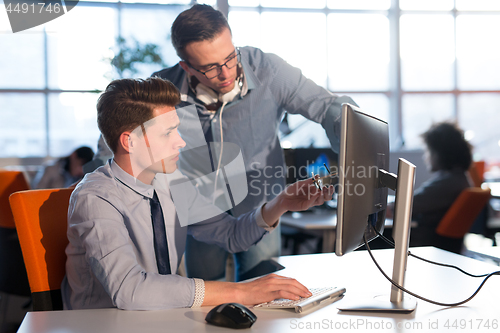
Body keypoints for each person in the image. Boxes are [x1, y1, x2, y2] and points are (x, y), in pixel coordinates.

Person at [61, 77, 335, 310]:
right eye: (168, 132)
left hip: (159, 319)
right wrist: (240, 292)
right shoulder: (95, 198)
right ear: (129, 141)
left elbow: (230, 234)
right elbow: (130, 290)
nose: (180, 141)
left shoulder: (170, 182)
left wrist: (281, 203)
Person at [147, 4, 359, 281]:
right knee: (206, 293)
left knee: (263, 286)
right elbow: (120, 138)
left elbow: (325, 105)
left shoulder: (270, 70)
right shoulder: (163, 88)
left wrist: (354, 135)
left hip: (262, 201)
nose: (225, 74)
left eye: (229, 58)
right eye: (210, 68)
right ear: (186, 66)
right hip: (201, 209)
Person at [389, 122, 473, 253]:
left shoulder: (447, 184)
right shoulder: (460, 179)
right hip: (435, 245)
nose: (425, 157)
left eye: (428, 151)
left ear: (440, 153)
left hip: (422, 246)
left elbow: (398, 208)